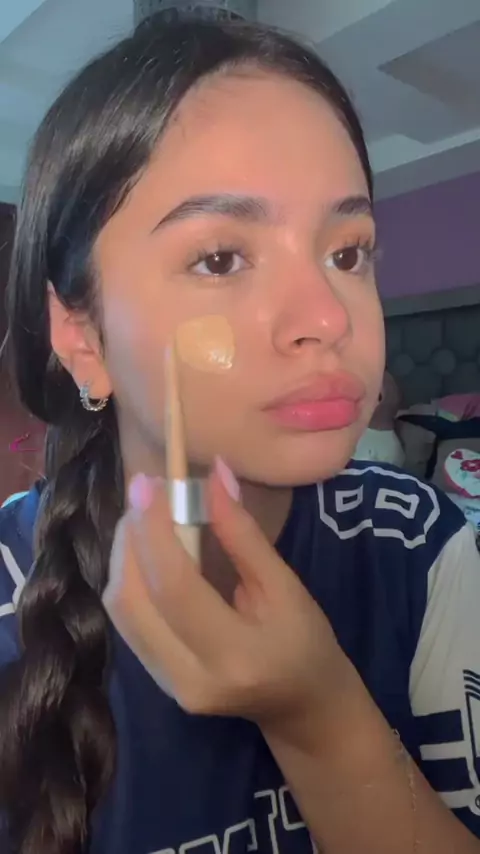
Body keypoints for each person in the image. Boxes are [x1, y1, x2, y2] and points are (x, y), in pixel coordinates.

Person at [0, 14, 479, 854]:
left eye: (348, 252)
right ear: (82, 337)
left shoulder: (420, 544)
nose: (328, 318)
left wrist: (319, 715)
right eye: (220, 258)